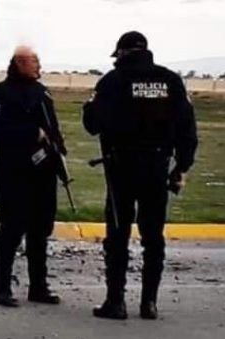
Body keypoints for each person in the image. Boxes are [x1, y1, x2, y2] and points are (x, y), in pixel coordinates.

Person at [83, 31, 198, 320]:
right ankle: (149, 303)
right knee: (153, 237)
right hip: (157, 168)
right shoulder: (171, 81)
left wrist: (89, 107)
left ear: (121, 53)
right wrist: (181, 167)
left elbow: (92, 124)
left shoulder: (113, 80)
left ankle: (116, 302)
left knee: (118, 235)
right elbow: (187, 129)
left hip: (121, 169)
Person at [0, 46, 65, 308]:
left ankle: (38, 286)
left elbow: (53, 126)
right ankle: (2, 289)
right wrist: (33, 133)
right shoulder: (1, 94)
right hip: (14, 171)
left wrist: (57, 148)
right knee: (11, 230)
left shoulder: (42, 92)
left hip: (43, 172)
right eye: (34, 61)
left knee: (40, 231)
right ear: (20, 63)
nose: (38, 65)